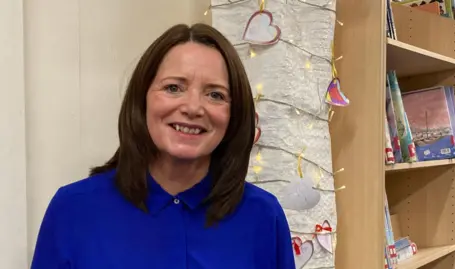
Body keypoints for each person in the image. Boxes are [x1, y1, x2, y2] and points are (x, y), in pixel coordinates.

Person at [30, 23, 296, 269]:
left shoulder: (263, 216)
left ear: (234, 114)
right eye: (173, 88)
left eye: (215, 95)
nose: (192, 108)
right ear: (142, 99)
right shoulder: (73, 210)